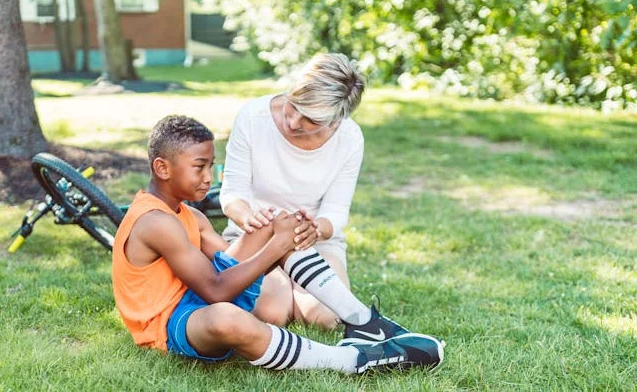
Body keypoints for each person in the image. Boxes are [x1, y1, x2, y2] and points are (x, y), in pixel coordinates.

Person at [112, 115, 443, 374]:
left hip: (197, 298)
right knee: (226, 318)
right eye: (199, 166)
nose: (209, 177)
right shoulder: (155, 222)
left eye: (211, 165)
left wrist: (272, 233)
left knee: (279, 223)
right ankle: (352, 360)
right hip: (170, 326)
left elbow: (229, 265)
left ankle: (365, 323)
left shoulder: (188, 216)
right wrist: (273, 248)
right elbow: (216, 289)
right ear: (162, 168)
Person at [220, 52, 381, 330]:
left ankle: (299, 287)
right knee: (272, 314)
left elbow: (336, 212)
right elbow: (232, 193)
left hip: (314, 241)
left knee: (327, 318)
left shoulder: (349, 138)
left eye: (311, 120)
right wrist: (249, 219)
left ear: (336, 121)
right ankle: (286, 287)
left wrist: (315, 230)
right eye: (293, 105)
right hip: (256, 238)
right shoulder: (252, 116)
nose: (293, 122)